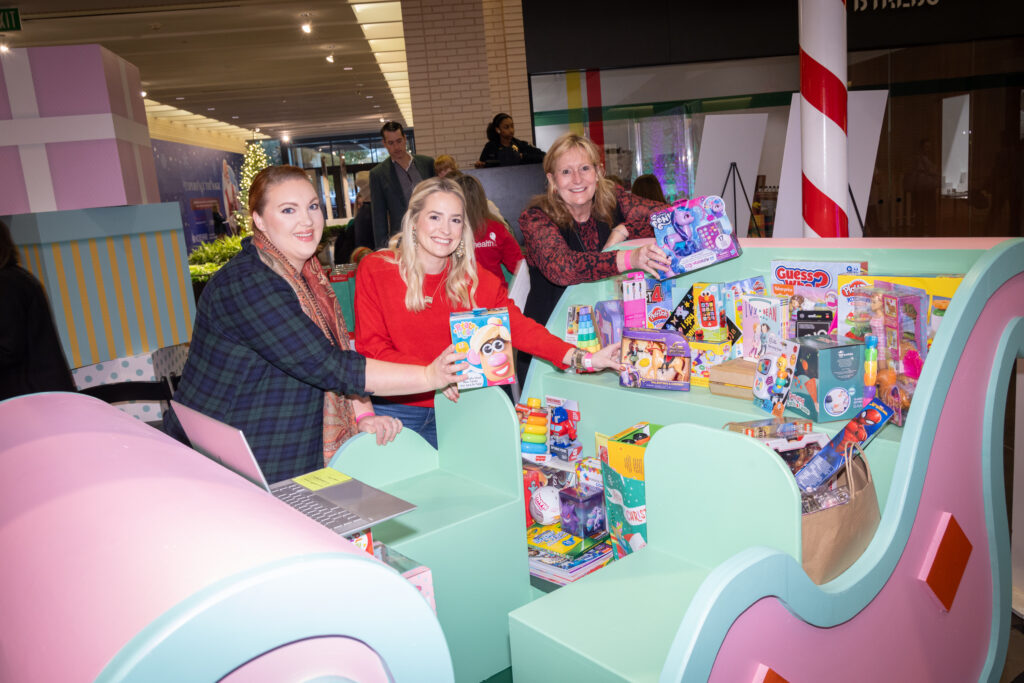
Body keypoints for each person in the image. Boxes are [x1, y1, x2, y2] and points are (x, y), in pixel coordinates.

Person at [164, 165, 465, 483]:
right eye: (288, 210)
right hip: (229, 464)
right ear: (259, 220)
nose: (306, 220)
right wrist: (429, 375)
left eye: (312, 207)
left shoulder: (306, 274)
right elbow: (329, 365)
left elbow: (335, 353)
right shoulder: (248, 283)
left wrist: (360, 415)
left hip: (282, 450)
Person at [354, 177, 622, 449]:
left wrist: (583, 358)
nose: (445, 230)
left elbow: (519, 328)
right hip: (398, 411)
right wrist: (431, 375)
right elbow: (372, 351)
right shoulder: (377, 270)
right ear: (414, 221)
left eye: (456, 220)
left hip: (462, 407)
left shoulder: (476, 281)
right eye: (435, 217)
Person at [518, 132, 672, 332]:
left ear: (598, 173)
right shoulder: (535, 219)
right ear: (552, 180)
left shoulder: (616, 201)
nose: (577, 179)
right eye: (566, 171)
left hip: (611, 335)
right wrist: (629, 258)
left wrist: (625, 229)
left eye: (584, 168)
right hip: (551, 342)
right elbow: (563, 268)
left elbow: (676, 215)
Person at [0, 219, 77, 401]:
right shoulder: (17, 278)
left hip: (27, 397)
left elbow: (7, 350)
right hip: (37, 392)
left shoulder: (6, 284)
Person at [370, 121, 435, 249]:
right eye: (391, 143)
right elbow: (378, 217)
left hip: (432, 231)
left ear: (405, 139)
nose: (396, 147)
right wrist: (382, 250)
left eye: (399, 141)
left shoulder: (427, 163)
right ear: (384, 144)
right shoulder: (378, 174)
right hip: (402, 239)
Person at [454, 174, 522, 281]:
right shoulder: (497, 228)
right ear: (482, 198)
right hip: (494, 292)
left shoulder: (449, 230)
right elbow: (519, 267)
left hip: (462, 292)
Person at [475, 113, 545, 168]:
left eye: (512, 126)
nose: (511, 130)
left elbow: (544, 156)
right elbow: (482, 165)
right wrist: (481, 165)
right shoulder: (490, 147)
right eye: (506, 127)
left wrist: (522, 156)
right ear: (498, 130)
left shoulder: (521, 145)